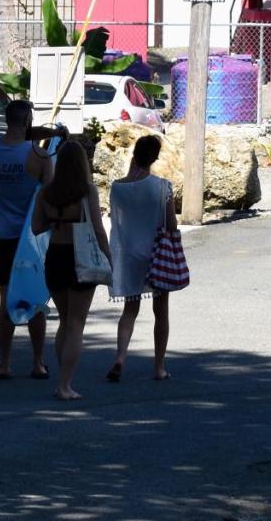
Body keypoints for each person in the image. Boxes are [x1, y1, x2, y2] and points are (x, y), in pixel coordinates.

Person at [0, 100, 68, 380]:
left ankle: (5, 363)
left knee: (6, 298)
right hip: (31, 238)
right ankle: (37, 362)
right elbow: (51, 193)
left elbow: (20, 134)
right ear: (29, 120)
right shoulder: (39, 158)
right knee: (35, 298)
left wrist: (34, 128)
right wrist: (55, 137)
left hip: (3, 235)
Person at [31, 140, 111, 401]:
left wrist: (56, 218)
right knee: (77, 324)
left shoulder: (46, 193)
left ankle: (62, 381)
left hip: (55, 256)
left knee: (65, 322)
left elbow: (36, 226)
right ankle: (65, 384)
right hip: (80, 258)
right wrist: (109, 258)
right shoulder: (87, 191)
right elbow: (98, 230)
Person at [106, 135, 176, 383]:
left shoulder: (118, 187)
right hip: (156, 255)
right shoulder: (162, 187)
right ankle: (159, 367)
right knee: (161, 312)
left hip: (129, 255)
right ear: (155, 158)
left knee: (130, 310)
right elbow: (171, 224)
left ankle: (120, 357)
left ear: (134, 154)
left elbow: (117, 220)